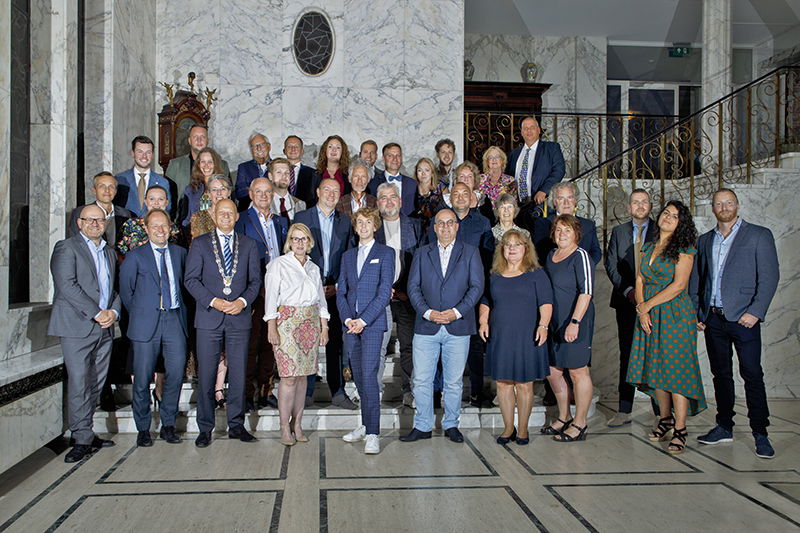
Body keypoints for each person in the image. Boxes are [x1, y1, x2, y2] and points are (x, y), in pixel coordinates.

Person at [694, 189, 780, 458]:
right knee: (721, 375)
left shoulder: (758, 235)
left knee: (752, 374)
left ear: (737, 205)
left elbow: (769, 277)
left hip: (744, 319)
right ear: (713, 208)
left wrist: (756, 311)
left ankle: (760, 433)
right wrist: (699, 312)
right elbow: (697, 279)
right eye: (719, 203)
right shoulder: (705, 240)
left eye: (729, 202)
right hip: (713, 319)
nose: (724, 207)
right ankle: (724, 426)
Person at [627, 201, 706, 455]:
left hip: (674, 314)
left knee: (676, 372)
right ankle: (665, 419)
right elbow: (639, 278)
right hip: (648, 313)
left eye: (675, 216)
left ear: (682, 223)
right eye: (666, 213)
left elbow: (679, 285)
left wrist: (646, 305)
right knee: (655, 369)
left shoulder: (684, 248)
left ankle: (681, 428)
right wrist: (641, 308)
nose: (669, 218)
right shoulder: (648, 245)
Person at [401, 209, 484, 444]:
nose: (446, 227)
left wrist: (456, 312)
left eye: (450, 223)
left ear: (457, 227)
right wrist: (428, 312)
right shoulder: (421, 253)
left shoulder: (470, 252)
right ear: (434, 228)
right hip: (426, 326)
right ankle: (423, 425)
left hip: (458, 326)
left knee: (453, 382)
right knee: (422, 380)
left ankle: (451, 424)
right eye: (441, 223)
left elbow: (476, 287)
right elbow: (413, 287)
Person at [184, 199, 261, 447]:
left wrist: (241, 302)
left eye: (230, 212)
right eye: (222, 212)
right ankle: (205, 428)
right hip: (209, 318)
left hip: (239, 318)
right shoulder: (200, 244)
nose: (226, 216)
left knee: (238, 374)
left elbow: (255, 282)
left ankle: (236, 425)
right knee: (206, 375)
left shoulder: (249, 245)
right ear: (214, 215)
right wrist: (214, 301)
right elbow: (191, 280)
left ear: (237, 216)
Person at [48, 205, 121, 462]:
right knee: (79, 382)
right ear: (79, 223)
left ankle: (87, 431)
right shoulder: (66, 248)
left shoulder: (109, 252)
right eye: (89, 219)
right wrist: (96, 312)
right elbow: (67, 285)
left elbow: (112, 289)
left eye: (99, 219)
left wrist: (113, 312)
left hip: (103, 328)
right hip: (76, 327)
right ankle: (79, 438)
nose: (94, 223)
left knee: (95, 383)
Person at [119, 209, 187, 447]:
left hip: (174, 321)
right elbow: (127, 293)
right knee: (142, 379)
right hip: (146, 323)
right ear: (146, 229)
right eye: (155, 226)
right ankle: (143, 428)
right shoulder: (135, 257)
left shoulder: (180, 253)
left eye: (164, 226)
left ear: (170, 228)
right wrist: (143, 312)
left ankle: (168, 424)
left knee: (176, 374)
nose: (160, 230)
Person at [479, 230, 552, 445]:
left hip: (526, 335)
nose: (512, 248)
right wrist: (483, 321)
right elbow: (486, 300)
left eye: (517, 244)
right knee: (502, 384)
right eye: (508, 244)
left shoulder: (536, 273)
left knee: (524, 384)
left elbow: (546, 302)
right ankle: (508, 427)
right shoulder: (495, 274)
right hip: (500, 334)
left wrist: (543, 325)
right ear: (502, 249)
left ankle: (523, 429)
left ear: (526, 249)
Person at [264, 223, 330, 446]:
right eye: (295, 238)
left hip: (310, 323)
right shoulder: (278, 265)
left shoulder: (313, 268)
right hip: (287, 323)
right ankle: (284, 426)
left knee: (303, 376)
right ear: (289, 242)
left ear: (309, 242)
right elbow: (271, 299)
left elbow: (321, 300)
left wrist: (325, 327)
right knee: (289, 376)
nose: (299, 243)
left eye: (303, 239)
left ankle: (298, 423)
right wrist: (271, 327)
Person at [294, 178, 357, 409]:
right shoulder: (302, 219)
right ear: (318, 191)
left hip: (336, 290)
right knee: (308, 342)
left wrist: (339, 285)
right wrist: (312, 285)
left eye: (336, 191)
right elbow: (294, 255)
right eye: (327, 189)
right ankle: (306, 393)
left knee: (336, 344)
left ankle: (338, 392)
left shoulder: (346, 222)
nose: (331, 194)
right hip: (309, 290)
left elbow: (350, 256)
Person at [338, 208, 395, 454]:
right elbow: (341, 292)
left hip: (372, 325)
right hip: (351, 326)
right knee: (359, 377)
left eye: (368, 222)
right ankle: (364, 424)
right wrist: (349, 318)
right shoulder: (348, 256)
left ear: (376, 226)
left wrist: (363, 320)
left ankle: (373, 433)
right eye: (359, 222)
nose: (363, 226)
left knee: (370, 377)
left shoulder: (386, 253)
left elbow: (384, 293)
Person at [604, 189, 660, 427]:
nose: (640, 205)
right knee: (627, 354)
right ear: (629, 207)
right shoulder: (619, 232)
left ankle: (661, 412)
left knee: (656, 356)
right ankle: (624, 410)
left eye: (644, 202)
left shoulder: (662, 230)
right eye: (635, 202)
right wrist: (628, 291)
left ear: (650, 205)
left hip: (656, 304)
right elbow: (611, 265)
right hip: (626, 303)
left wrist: (651, 296)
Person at [235, 177, 289, 411]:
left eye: (268, 192)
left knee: (272, 345)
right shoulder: (242, 220)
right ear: (251, 193)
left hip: (279, 291)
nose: (264, 195)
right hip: (254, 291)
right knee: (252, 344)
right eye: (259, 191)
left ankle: (266, 391)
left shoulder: (281, 222)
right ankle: (247, 393)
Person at [543, 214, 595, 442]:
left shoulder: (580, 255)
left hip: (576, 321)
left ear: (576, 233)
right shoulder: (550, 255)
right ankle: (563, 417)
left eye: (567, 230)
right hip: (554, 321)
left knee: (577, 371)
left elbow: (586, 292)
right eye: (558, 230)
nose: (562, 234)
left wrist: (574, 322)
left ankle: (580, 422)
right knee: (554, 371)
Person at [189, 175, 235, 408]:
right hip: (209, 303)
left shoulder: (236, 221)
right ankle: (208, 398)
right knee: (209, 356)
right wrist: (213, 300)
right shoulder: (199, 221)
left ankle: (221, 389)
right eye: (213, 190)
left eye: (222, 189)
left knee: (229, 354)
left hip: (234, 306)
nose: (218, 193)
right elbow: (193, 274)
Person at [375, 183, 423, 408]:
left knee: (409, 346)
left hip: (407, 297)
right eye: (383, 198)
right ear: (377, 203)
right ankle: (374, 391)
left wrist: (407, 290)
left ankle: (409, 391)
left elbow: (421, 261)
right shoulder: (371, 228)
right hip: (379, 298)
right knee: (378, 347)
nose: (389, 201)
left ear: (401, 201)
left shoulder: (415, 226)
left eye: (393, 197)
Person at [531, 182, 602, 266]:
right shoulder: (543, 224)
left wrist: (584, 267)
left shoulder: (588, 225)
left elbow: (596, 252)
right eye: (561, 198)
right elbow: (541, 253)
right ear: (554, 202)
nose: (566, 202)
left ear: (575, 200)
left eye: (570, 197)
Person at [505, 116, 565, 207]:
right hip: (517, 205)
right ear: (521, 132)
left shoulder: (551, 148)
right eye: (525, 128)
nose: (529, 131)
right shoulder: (514, 154)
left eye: (532, 128)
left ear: (539, 130)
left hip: (540, 203)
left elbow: (559, 171)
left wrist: (545, 190)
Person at [68, 172, 132, 249]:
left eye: (111, 187)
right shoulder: (81, 212)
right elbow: (73, 242)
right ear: (94, 190)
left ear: (115, 191)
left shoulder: (125, 214)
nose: (107, 190)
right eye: (102, 186)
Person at [165, 123, 230, 198]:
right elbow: (168, 196)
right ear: (189, 140)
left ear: (207, 140)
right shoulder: (175, 164)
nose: (199, 140)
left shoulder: (222, 165)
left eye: (203, 137)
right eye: (195, 137)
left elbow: (229, 194)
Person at [115, 136, 173, 217]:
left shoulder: (163, 182)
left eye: (148, 152)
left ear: (152, 155)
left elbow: (167, 209)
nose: (144, 156)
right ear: (132, 153)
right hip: (126, 227)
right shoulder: (120, 179)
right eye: (140, 152)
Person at [117, 185, 180, 254]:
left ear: (166, 202)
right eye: (152, 199)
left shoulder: (174, 228)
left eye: (161, 199)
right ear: (146, 201)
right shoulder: (131, 224)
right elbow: (121, 251)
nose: (156, 203)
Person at [179, 147, 226, 228]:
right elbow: (184, 218)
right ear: (198, 164)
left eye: (210, 162)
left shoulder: (225, 187)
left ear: (215, 164)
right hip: (195, 234)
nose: (206, 165)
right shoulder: (190, 189)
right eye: (203, 162)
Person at [367, 143, 416, 216]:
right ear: (383, 159)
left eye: (398, 155)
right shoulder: (373, 184)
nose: (395, 159)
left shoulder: (412, 184)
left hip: (408, 226)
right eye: (390, 156)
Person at [234, 133, 272, 211]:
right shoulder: (244, 167)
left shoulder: (277, 166)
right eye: (255, 146)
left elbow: (280, 190)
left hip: (273, 210)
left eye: (262, 145)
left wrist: (250, 188)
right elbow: (240, 192)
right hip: (248, 211)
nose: (259, 149)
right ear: (251, 150)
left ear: (269, 146)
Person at [479, 145, 517, 210]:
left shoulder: (510, 181)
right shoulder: (479, 179)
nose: (494, 159)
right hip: (482, 217)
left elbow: (513, 205)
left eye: (497, 157)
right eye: (490, 157)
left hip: (503, 216)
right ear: (487, 161)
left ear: (502, 160)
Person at [411, 157, 444, 232]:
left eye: (427, 170)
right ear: (416, 173)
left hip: (435, 230)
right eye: (419, 170)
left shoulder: (441, 188)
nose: (423, 174)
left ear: (432, 173)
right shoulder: (411, 189)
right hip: (415, 231)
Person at [284, 135, 317, 206]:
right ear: (284, 151)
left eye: (296, 146)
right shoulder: (276, 172)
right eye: (289, 146)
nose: (293, 149)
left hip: (305, 214)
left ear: (302, 151)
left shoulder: (313, 173)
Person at [270, 157, 306, 222]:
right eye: (279, 172)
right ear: (270, 176)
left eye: (287, 172)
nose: (284, 176)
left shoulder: (300, 204)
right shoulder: (261, 202)